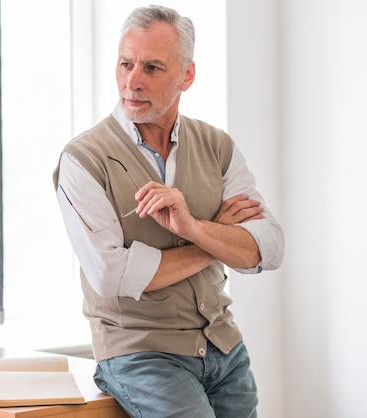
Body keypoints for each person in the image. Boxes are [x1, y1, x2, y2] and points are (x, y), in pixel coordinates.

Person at [53, 5, 284, 417]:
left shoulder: (217, 146)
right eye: (126, 64)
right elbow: (111, 275)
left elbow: (267, 247)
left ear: (187, 75)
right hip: (142, 355)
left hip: (224, 347)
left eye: (153, 68)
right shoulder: (83, 160)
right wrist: (213, 237)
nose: (132, 82)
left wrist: (192, 226)